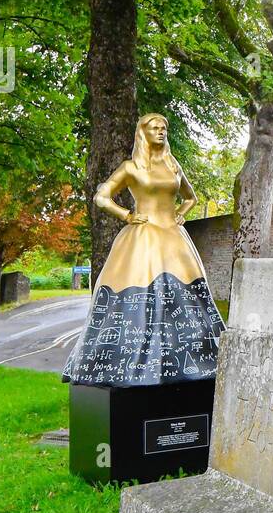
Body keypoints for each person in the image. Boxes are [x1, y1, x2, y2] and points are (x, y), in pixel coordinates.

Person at [63, 113, 224, 386]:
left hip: (174, 238)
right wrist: (126, 215)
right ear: (143, 133)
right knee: (142, 296)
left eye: (164, 128)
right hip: (143, 237)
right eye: (154, 128)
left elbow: (191, 197)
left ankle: (193, 360)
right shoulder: (131, 167)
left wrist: (180, 214)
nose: (161, 132)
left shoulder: (173, 165)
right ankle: (132, 364)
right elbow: (102, 197)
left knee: (183, 295)